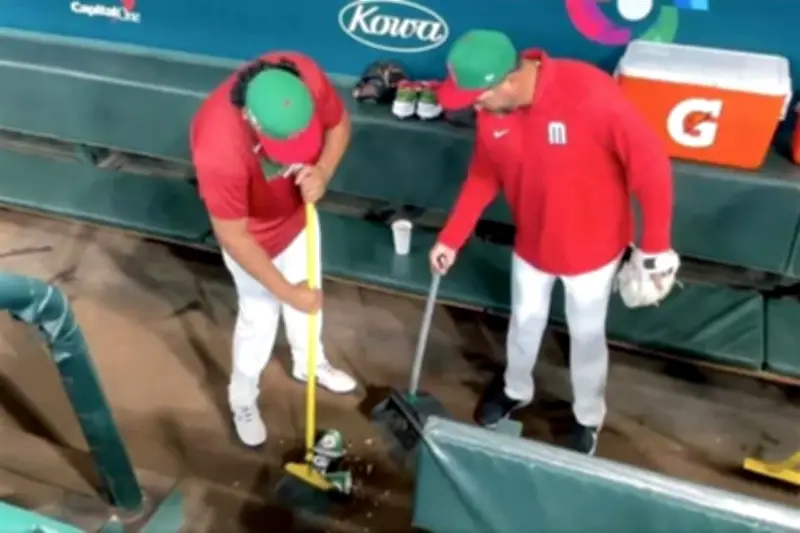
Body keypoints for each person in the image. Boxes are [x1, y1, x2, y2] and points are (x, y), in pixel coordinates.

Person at [431, 30, 680, 455]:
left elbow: (651, 166)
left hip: (594, 250)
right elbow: (483, 175)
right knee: (524, 321)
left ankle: (588, 415)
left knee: (586, 334)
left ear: (507, 82)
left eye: (478, 96)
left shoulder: (589, 93)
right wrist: (451, 238)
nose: (474, 105)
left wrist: (655, 245)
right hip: (533, 243)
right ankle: (515, 389)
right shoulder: (493, 111)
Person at [190, 52, 357, 447]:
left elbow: (339, 125)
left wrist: (324, 171)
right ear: (251, 119)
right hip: (253, 236)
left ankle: (309, 364)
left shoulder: (304, 74)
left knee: (309, 306)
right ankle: (242, 396)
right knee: (260, 318)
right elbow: (232, 235)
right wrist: (286, 292)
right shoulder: (218, 143)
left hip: (299, 216)